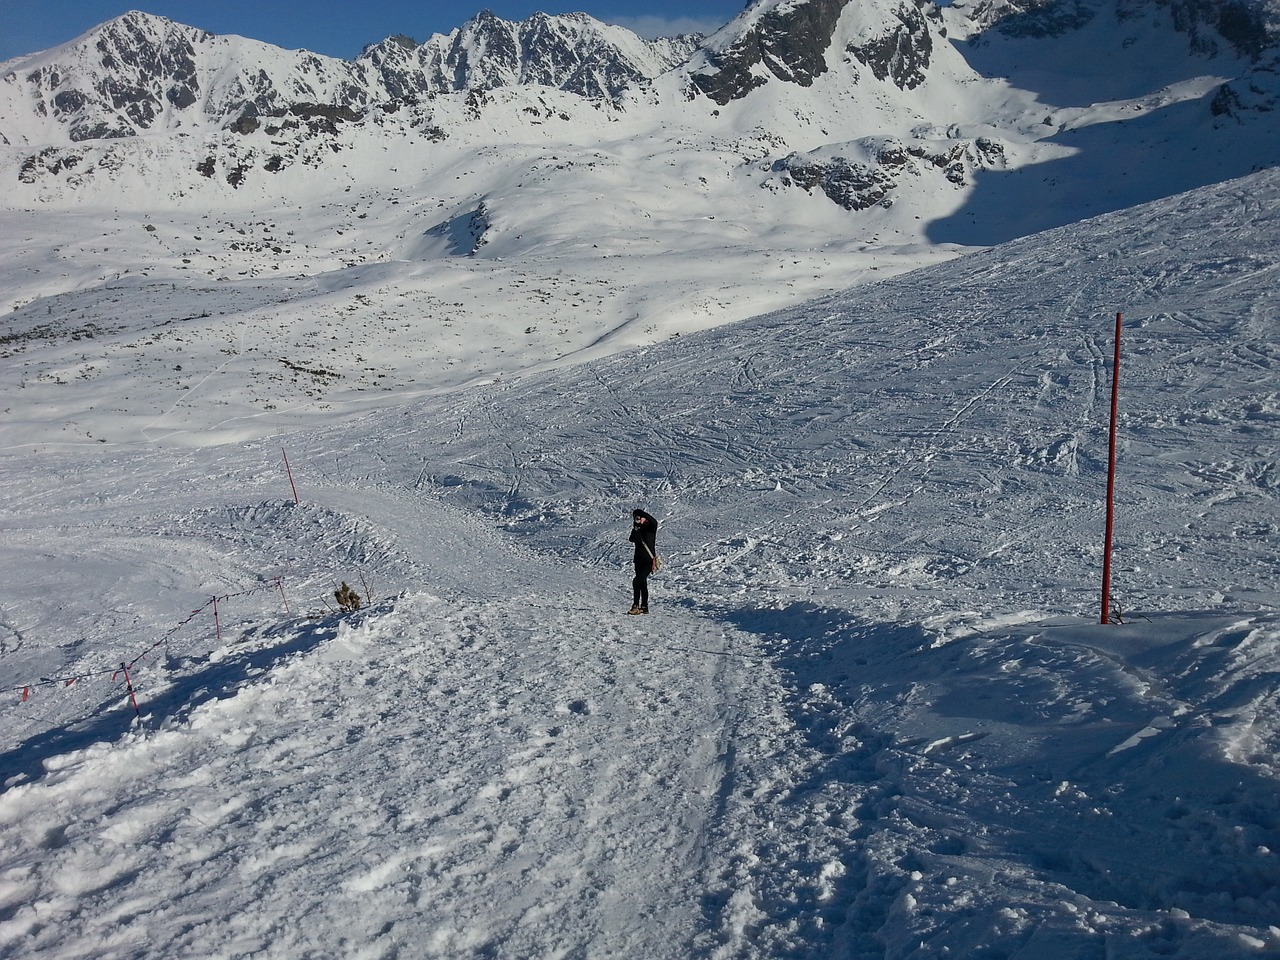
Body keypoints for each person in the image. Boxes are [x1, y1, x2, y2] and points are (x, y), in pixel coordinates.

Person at [627, 508, 659, 615]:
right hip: (638, 560)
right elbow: (631, 539)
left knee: (636, 581)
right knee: (642, 583)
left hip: (648, 561)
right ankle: (644, 607)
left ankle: (635, 605)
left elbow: (655, 522)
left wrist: (642, 515)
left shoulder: (651, 528)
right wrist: (636, 527)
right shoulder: (638, 529)